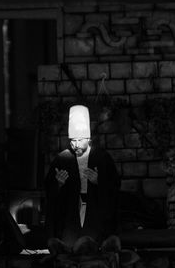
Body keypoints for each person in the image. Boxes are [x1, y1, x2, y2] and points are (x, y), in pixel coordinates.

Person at [45, 105, 120, 252]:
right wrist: (58, 184)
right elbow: (49, 188)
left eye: (80, 140)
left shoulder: (102, 158)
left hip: (95, 211)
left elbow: (115, 184)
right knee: (69, 244)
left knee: (93, 243)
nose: (76, 145)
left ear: (88, 138)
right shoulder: (63, 158)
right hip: (70, 212)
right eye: (72, 140)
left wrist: (99, 181)